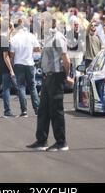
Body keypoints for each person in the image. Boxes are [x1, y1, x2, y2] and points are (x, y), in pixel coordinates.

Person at [27, 18, 73, 152]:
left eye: (44, 23)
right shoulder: (48, 38)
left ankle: (61, 142)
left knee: (56, 110)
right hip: (48, 76)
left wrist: (65, 76)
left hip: (57, 75)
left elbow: (66, 60)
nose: (41, 25)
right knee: (43, 110)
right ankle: (41, 140)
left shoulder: (58, 38)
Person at [10, 19, 41, 117]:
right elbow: (38, 49)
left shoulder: (14, 38)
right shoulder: (31, 36)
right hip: (30, 63)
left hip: (18, 63)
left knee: (21, 87)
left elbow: (12, 55)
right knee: (32, 87)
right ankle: (37, 109)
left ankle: (24, 111)